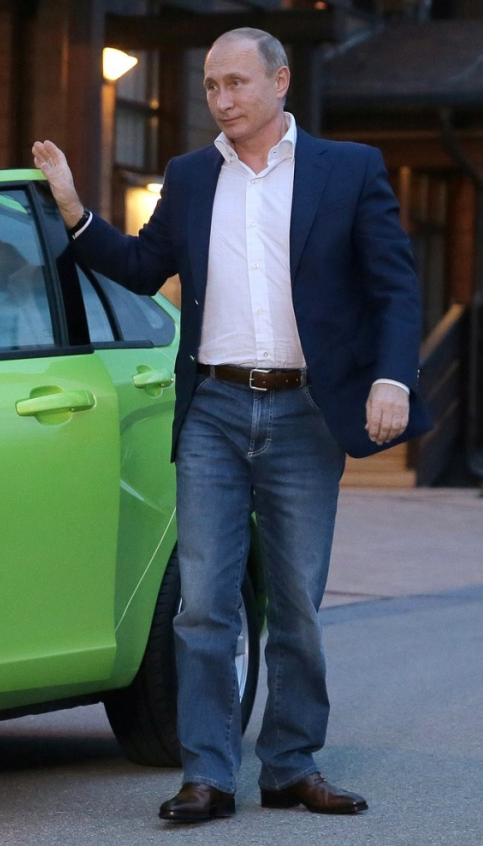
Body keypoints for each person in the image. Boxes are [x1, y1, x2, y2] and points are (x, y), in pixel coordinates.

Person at [33, 27, 430, 822]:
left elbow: (394, 286)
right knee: (204, 604)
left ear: (280, 81)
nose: (221, 99)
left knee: (297, 604)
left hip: (306, 411)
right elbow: (143, 267)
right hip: (212, 409)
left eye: (236, 83)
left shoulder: (348, 169)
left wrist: (392, 377)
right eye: (212, 86)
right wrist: (74, 210)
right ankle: (208, 774)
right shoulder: (190, 176)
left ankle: (290, 765)